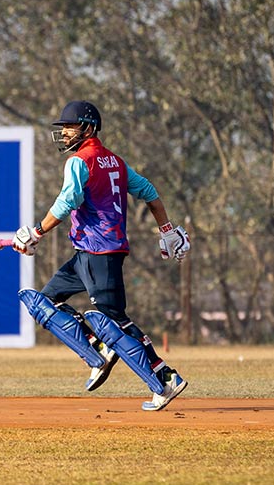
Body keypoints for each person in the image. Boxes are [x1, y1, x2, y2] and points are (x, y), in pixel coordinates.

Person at [14, 100, 190, 411]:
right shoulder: (116, 162)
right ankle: (97, 349)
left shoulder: (79, 161)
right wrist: (166, 229)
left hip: (100, 252)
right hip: (88, 252)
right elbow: (149, 192)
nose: (64, 133)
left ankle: (165, 378)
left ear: (88, 127)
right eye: (63, 128)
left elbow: (68, 200)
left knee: (117, 322)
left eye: (70, 126)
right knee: (46, 301)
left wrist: (37, 232)